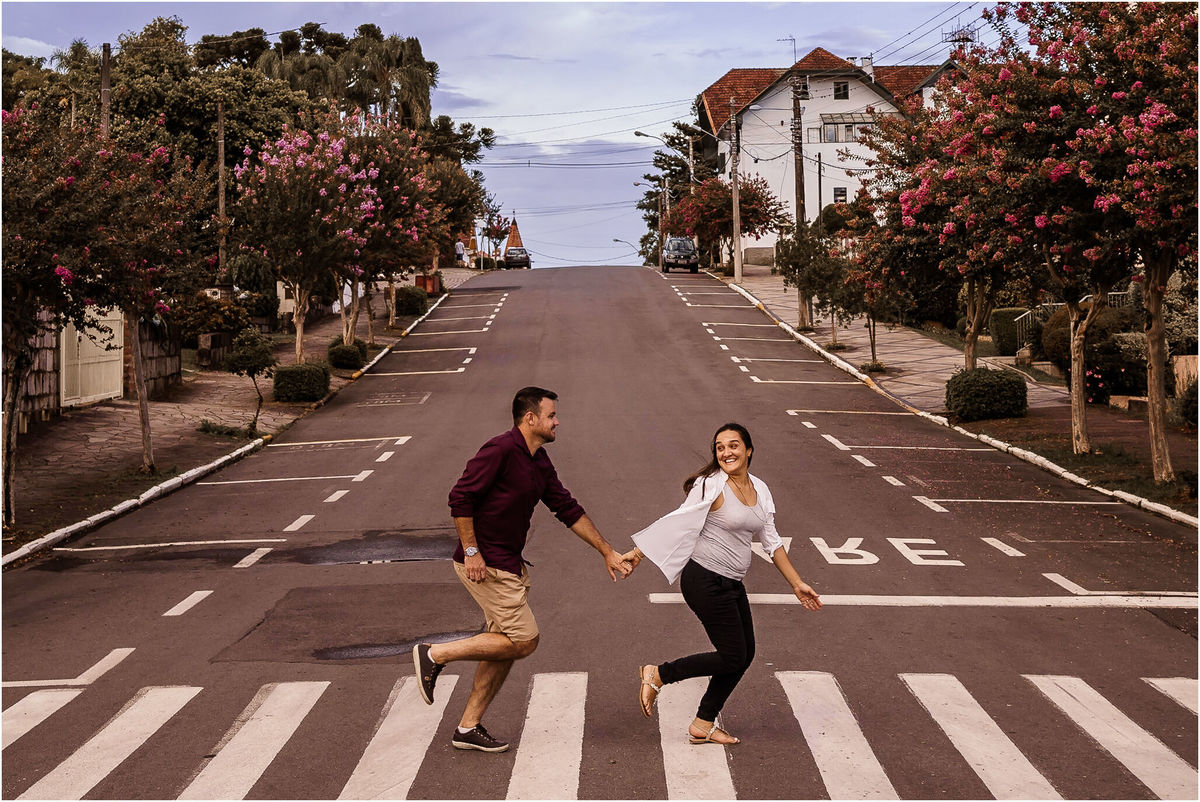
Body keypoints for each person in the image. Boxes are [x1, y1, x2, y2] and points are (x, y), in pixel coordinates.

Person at [413, 386, 631, 753]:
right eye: (551, 415)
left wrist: (607, 551)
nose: (557, 421)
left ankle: (468, 728)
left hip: (508, 563)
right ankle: (434, 654)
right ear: (530, 418)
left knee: (504, 646)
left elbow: (567, 508)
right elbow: (460, 498)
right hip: (486, 564)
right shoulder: (499, 450)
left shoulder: (538, 460)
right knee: (524, 640)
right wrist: (472, 552)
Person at [621, 422, 821, 745]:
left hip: (731, 583)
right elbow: (676, 522)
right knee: (732, 655)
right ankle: (658, 674)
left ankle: (703, 723)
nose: (727, 452)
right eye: (720, 447)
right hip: (704, 580)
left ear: (748, 449)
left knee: (746, 652)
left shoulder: (760, 489)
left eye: (733, 445)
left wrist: (797, 583)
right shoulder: (711, 485)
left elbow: (772, 541)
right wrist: (636, 553)